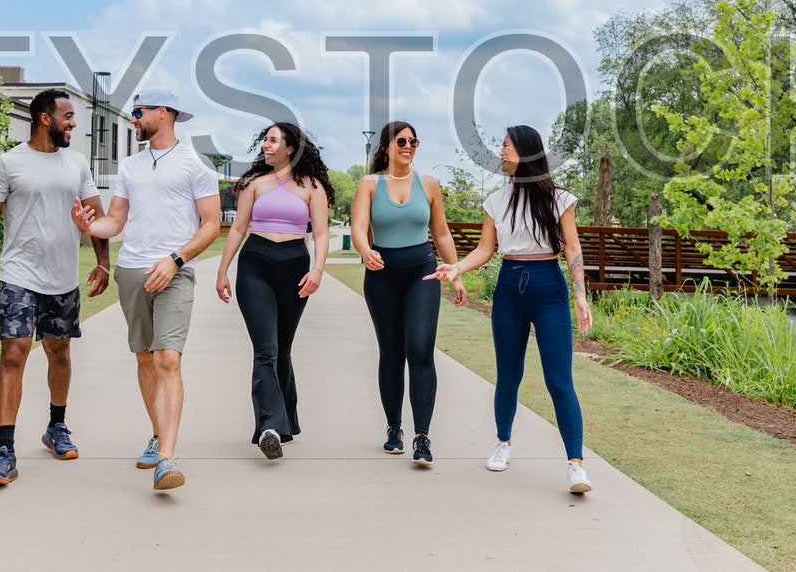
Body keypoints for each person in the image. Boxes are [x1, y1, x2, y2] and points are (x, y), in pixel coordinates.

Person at [428, 124, 593, 493]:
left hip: (548, 287)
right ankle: (502, 443)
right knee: (508, 374)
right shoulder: (496, 201)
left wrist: (580, 295)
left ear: (526, 152)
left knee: (559, 379)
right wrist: (457, 267)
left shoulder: (559, 199)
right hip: (509, 287)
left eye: (505, 147)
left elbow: (572, 249)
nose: (500, 153)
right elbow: (486, 250)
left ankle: (576, 465)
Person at [72, 87, 220, 491]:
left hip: (174, 271)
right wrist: (88, 227)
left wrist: (176, 260)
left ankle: (167, 460)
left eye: (138, 112)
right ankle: (157, 436)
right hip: (132, 271)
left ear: (163, 112)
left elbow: (210, 225)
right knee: (144, 360)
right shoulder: (130, 167)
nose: (133, 119)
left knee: (168, 359)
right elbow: (114, 222)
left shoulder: (196, 164)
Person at [0, 88, 110, 487]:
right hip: (19, 275)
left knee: (58, 351)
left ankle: (55, 427)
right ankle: (4, 450)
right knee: (14, 351)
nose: (73, 123)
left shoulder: (77, 163)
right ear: (45, 118)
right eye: (67, 116)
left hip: (61, 278)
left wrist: (103, 263)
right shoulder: (9, 163)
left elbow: (95, 215)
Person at [215, 122, 335, 460]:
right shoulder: (254, 184)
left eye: (272, 140)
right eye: (265, 140)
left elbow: (322, 234)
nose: (265, 146)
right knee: (265, 349)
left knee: (282, 349)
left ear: (290, 147)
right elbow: (238, 228)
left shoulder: (312, 187)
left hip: (296, 266)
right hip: (256, 265)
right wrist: (223, 271)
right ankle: (269, 426)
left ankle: (286, 419)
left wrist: (317, 270)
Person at [349, 120, 465, 467]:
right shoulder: (370, 184)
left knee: (420, 350)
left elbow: (441, 233)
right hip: (382, 275)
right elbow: (357, 226)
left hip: (422, 273)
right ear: (386, 146)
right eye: (402, 140)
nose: (409, 146)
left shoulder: (428, 184)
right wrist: (365, 251)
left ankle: (422, 436)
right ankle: (394, 429)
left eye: (414, 141)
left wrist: (456, 272)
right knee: (392, 353)